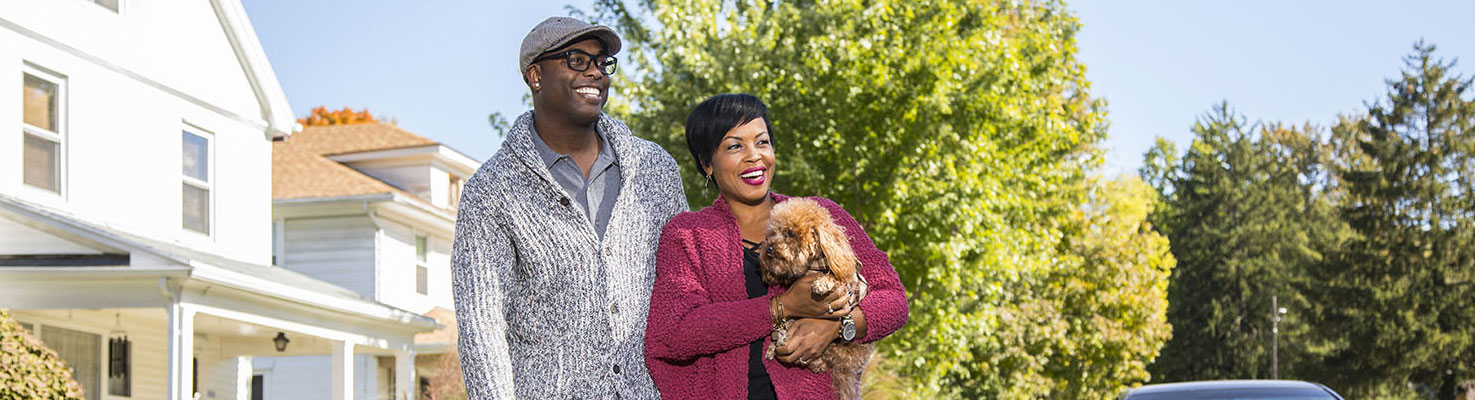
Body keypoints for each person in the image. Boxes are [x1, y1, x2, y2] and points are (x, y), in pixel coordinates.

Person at [451, 17, 687, 399]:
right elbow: (482, 329)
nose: (596, 72)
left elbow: (685, 287)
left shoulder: (653, 168)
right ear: (536, 75)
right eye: (577, 60)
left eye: (602, 62)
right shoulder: (491, 190)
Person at [644, 94, 909, 399]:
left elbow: (894, 300)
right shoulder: (688, 235)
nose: (754, 156)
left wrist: (837, 327)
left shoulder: (818, 215)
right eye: (734, 146)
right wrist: (782, 307)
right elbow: (674, 334)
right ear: (707, 163)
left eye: (762, 142)